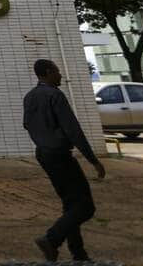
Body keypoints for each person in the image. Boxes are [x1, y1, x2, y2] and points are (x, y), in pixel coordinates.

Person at [23, 58, 106, 262]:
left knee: (71, 204)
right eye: (58, 71)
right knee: (85, 206)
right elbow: (72, 129)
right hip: (59, 154)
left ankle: (78, 253)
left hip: (43, 154)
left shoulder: (30, 97)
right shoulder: (54, 95)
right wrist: (93, 160)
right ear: (49, 72)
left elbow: (27, 124)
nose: (61, 75)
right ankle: (51, 239)